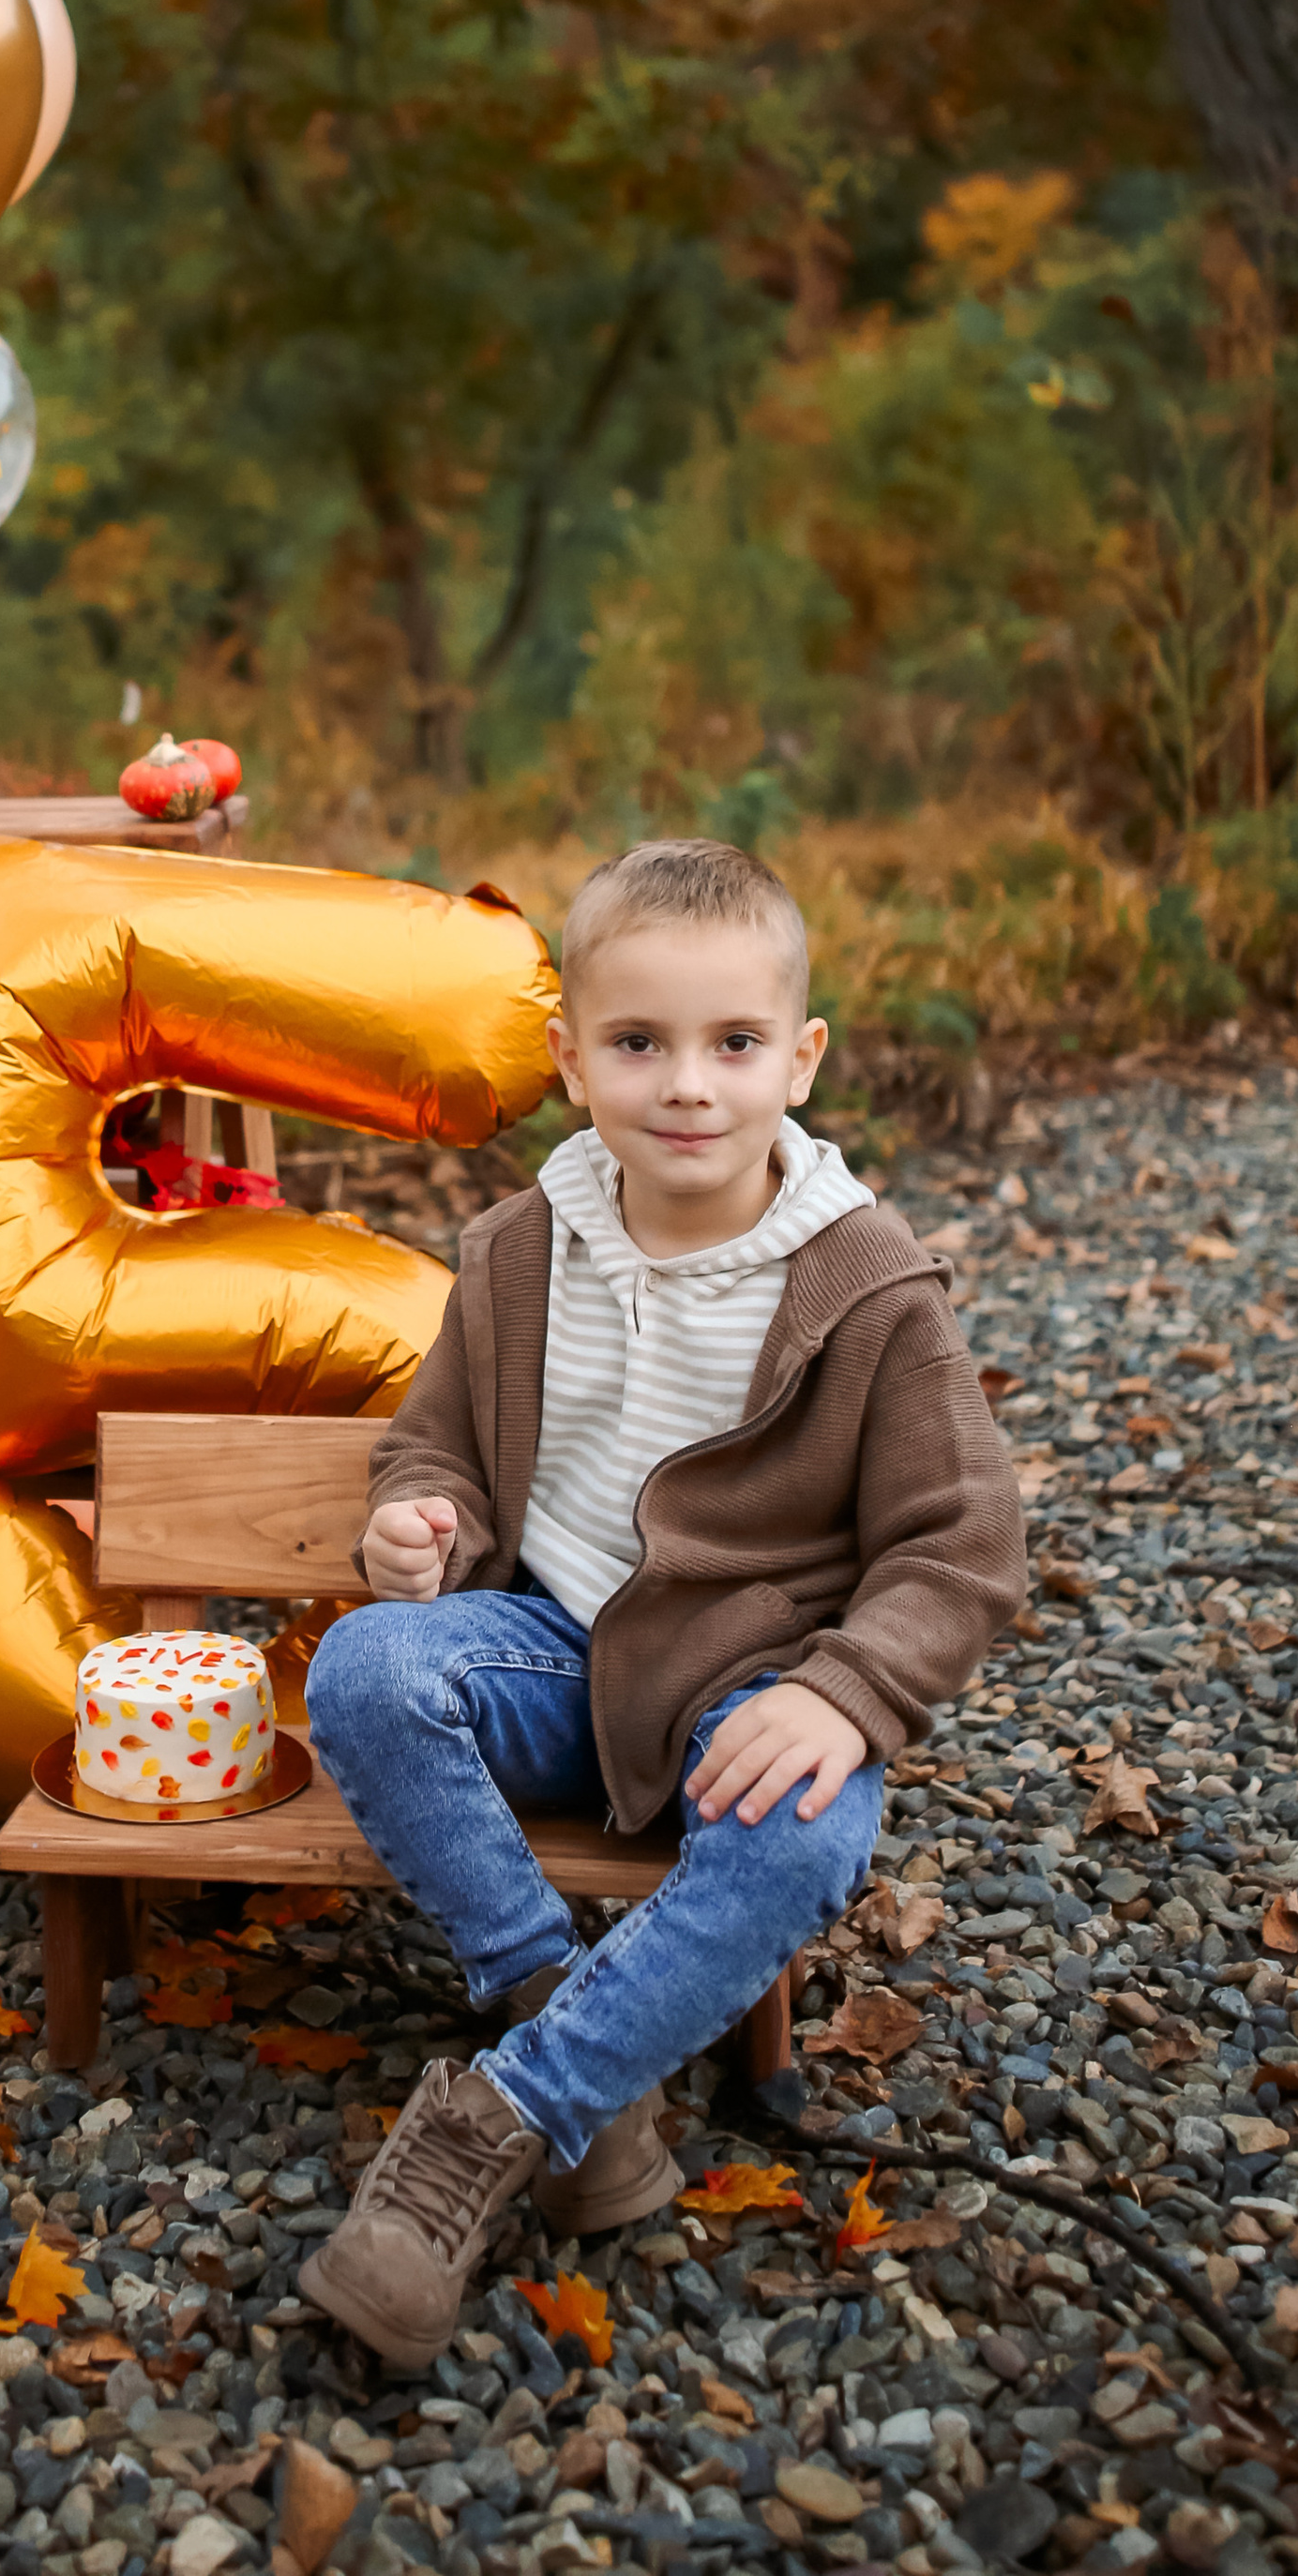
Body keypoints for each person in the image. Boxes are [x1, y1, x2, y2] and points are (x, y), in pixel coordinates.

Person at [300, 836, 1024, 2371]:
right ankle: (561, 2006)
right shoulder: (516, 1253)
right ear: (571, 1059)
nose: (688, 1085)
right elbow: (433, 1439)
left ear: (801, 1061)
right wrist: (418, 1522)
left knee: (816, 1827)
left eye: (734, 1044)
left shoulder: (865, 1285)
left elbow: (962, 1540)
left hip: (740, 1679)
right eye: (639, 1043)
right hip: (551, 1648)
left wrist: (845, 1690)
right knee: (367, 1669)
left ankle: (507, 2117)